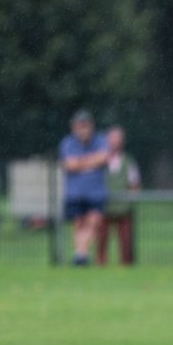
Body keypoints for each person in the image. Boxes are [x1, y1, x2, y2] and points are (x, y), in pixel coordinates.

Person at [60, 110, 111, 266]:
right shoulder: (68, 143)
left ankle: (80, 253)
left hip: (96, 192)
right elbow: (69, 165)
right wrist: (91, 161)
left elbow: (103, 158)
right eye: (79, 126)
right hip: (75, 192)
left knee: (94, 222)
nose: (82, 130)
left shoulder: (101, 141)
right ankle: (82, 255)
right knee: (79, 224)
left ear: (91, 126)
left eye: (85, 126)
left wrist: (80, 163)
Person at [97, 125, 141, 266]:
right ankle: (101, 266)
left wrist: (131, 199)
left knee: (127, 243)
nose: (115, 142)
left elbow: (134, 183)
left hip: (123, 208)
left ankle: (126, 268)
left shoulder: (128, 161)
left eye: (118, 139)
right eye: (112, 138)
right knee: (101, 241)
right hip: (104, 207)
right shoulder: (99, 159)